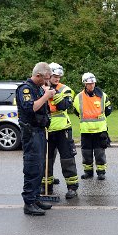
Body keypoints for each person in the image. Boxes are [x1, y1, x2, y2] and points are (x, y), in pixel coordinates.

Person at [16, 62, 55, 216]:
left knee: (40, 167)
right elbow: (30, 107)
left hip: (39, 131)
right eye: (46, 78)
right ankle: (29, 203)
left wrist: (45, 93)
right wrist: (46, 96)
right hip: (30, 133)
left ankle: (36, 197)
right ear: (38, 75)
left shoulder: (38, 88)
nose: (47, 81)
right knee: (32, 167)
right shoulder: (25, 89)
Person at [44, 63, 79, 199]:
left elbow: (64, 105)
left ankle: (72, 187)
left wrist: (53, 93)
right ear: (48, 75)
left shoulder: (66, 89)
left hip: (63, 129)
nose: (57, 79)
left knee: (67, 158)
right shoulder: (40, 88)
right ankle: (47, 186)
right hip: (46, 129)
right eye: (54, 76)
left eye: (59, 76)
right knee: (47, 159)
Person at [73, 72, 112, 180]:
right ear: (85, 84)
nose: (91, 85)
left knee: (100, 152)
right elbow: (76, 111)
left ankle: (101, 172)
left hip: (100, 130)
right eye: (89, 84)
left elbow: (108, 110)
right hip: (86, 131)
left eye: (93, 83)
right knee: (86, 152)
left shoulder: (102, 96)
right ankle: (88, 172)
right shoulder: (79, 97)